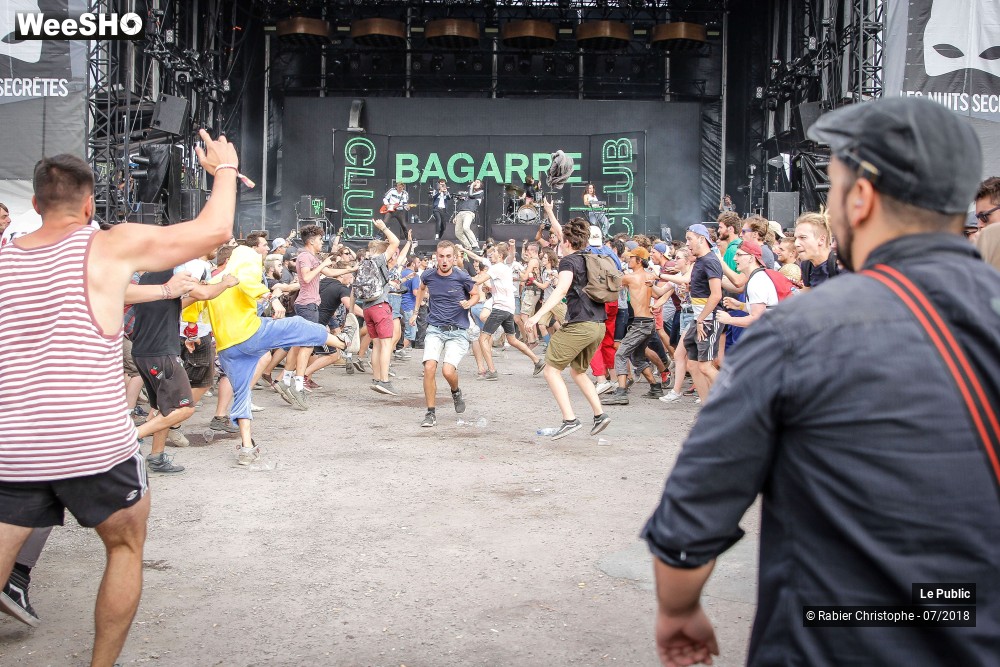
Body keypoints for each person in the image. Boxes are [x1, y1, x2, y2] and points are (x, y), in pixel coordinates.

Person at [642, 96, 1000, 667]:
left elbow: (693, 513)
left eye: (832, 190)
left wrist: (679, 613)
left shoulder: (798, 333)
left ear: (860, 200)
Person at [0, 130, 238, 666]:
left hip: (15, 443)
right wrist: (224, 169)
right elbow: (213, 230)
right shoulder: (104, 244)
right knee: (125, 548)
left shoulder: (6, 260)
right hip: (92, 443)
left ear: (35, 205)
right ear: (89, 205)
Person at [527, 217, 612, 440]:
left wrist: (536, 316)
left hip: (580, 325)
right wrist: (549, 211)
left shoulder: (568, 262)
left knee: (551, 370)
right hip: (597, 325)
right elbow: (563, 231)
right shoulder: (590, 256)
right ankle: (600, 415)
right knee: (578, 371)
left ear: (565, 242)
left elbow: (561, 290)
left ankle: (569, 420)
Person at [411, 241, 479, 427]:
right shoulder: (428, 275)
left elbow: (476, 294)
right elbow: (421, 289)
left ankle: (455, 391)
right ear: (436, 256)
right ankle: (430, 413)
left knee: (447, 371)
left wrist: (469, 303)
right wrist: (416, 311)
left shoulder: (462, 276)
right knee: (429, 367)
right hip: (435, 329)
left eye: (449, 256)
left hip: (457, 331)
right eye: (441, 256)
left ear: (454, 257)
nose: (444, 260)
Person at [463, 243, 546, 380]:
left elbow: (477, 281)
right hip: (508, 308)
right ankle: (537, 361)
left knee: (483, 338)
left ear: (500, 255)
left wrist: (459, 277)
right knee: (512, 339)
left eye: (494, 251)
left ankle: (492, 371)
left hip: (500, 307)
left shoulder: (496, 268)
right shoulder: (503, 267)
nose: (491, 253)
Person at [601, 247, 663, 405]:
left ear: (639, 260)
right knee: (637, 357)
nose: (628, 260)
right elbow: (657, 294)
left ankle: (621, 392)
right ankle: (655, 387)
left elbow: (611, 282)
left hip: (641, 323)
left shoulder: (630, 278)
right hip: (648, 322)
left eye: (631, 258)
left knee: (620, 354)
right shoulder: (649, 276)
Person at [682, 224, 723, 401]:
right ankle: (707, 409)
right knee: (692, 364)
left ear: (701, 239)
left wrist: (701, 319)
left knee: (706, 366)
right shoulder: (700, 261)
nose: (687, 243)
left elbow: (716, 295)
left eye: (689, 239)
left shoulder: (710, 261)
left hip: (707, 320)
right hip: (699, 318)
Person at [794, 212, 840, 289]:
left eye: (803, 237)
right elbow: (807, 296)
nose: (796, 243)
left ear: (821, 240)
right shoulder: (806, 265)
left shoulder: (840, 266)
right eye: (796, 238)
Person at [454, 179, 484, 251]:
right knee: (458, 232)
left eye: (477, 182)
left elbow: (471, 195)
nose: (475, 183)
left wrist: (471, 185)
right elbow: (462, 204)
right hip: (461, 212)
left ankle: (475, 245)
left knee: (466, 227)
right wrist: (456, 215)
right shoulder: (468, 194)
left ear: (481, 185)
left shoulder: (480, 192)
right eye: (475, 182)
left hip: (469, 212)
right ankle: (468, 247)